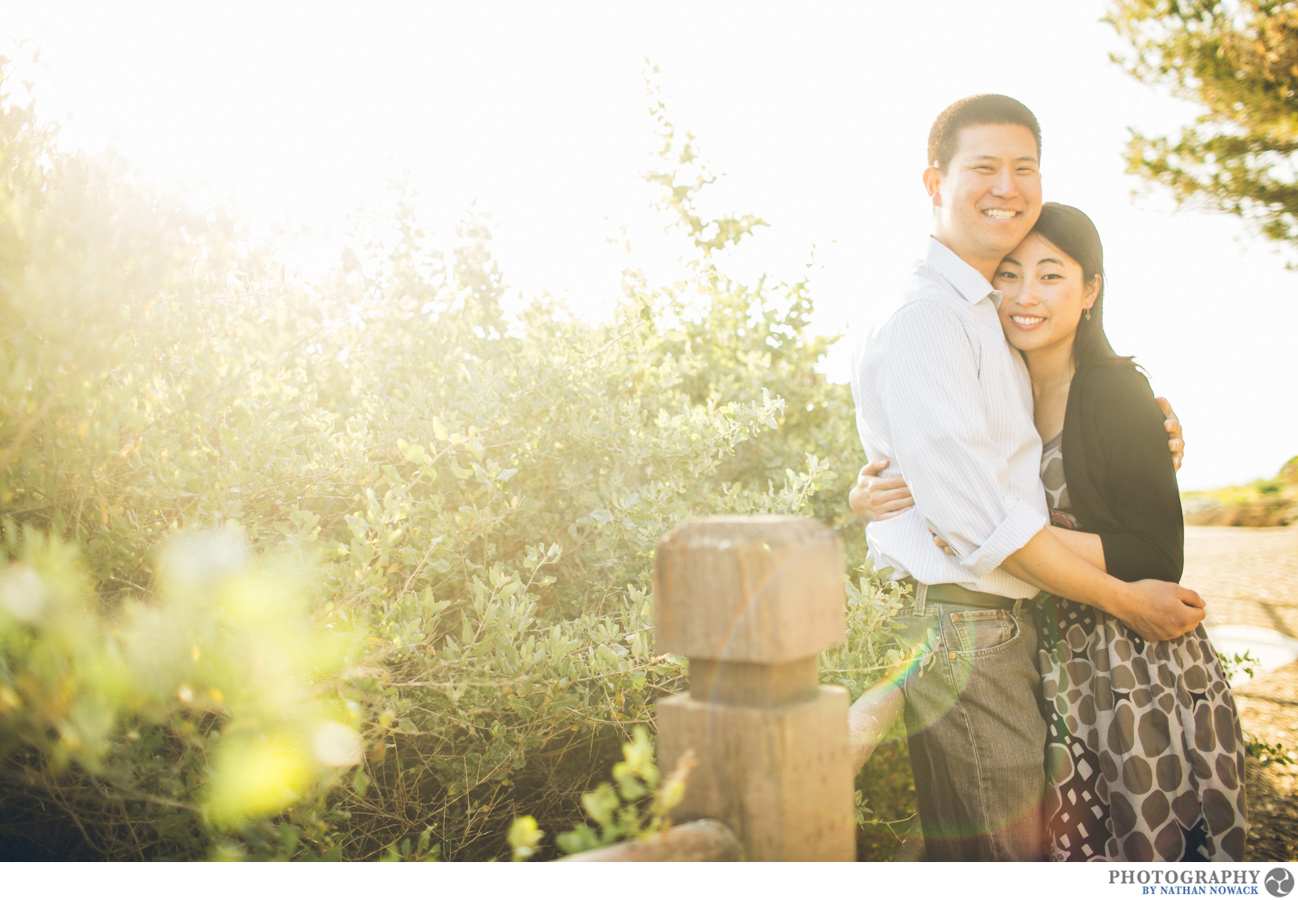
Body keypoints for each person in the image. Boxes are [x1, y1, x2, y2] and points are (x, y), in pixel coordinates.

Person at [848, 94, 1205, 862]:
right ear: (933, 183)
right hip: (971, 627)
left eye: (1025, 168)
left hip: (1003, 628)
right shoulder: (930, 319)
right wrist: (1124, 599)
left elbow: (1005, 471)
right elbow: (982, 525)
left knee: (992, 857)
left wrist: (1146, 432)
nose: (1007, 185)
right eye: (984, 167)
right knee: (1018, 860)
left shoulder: (984, 313)